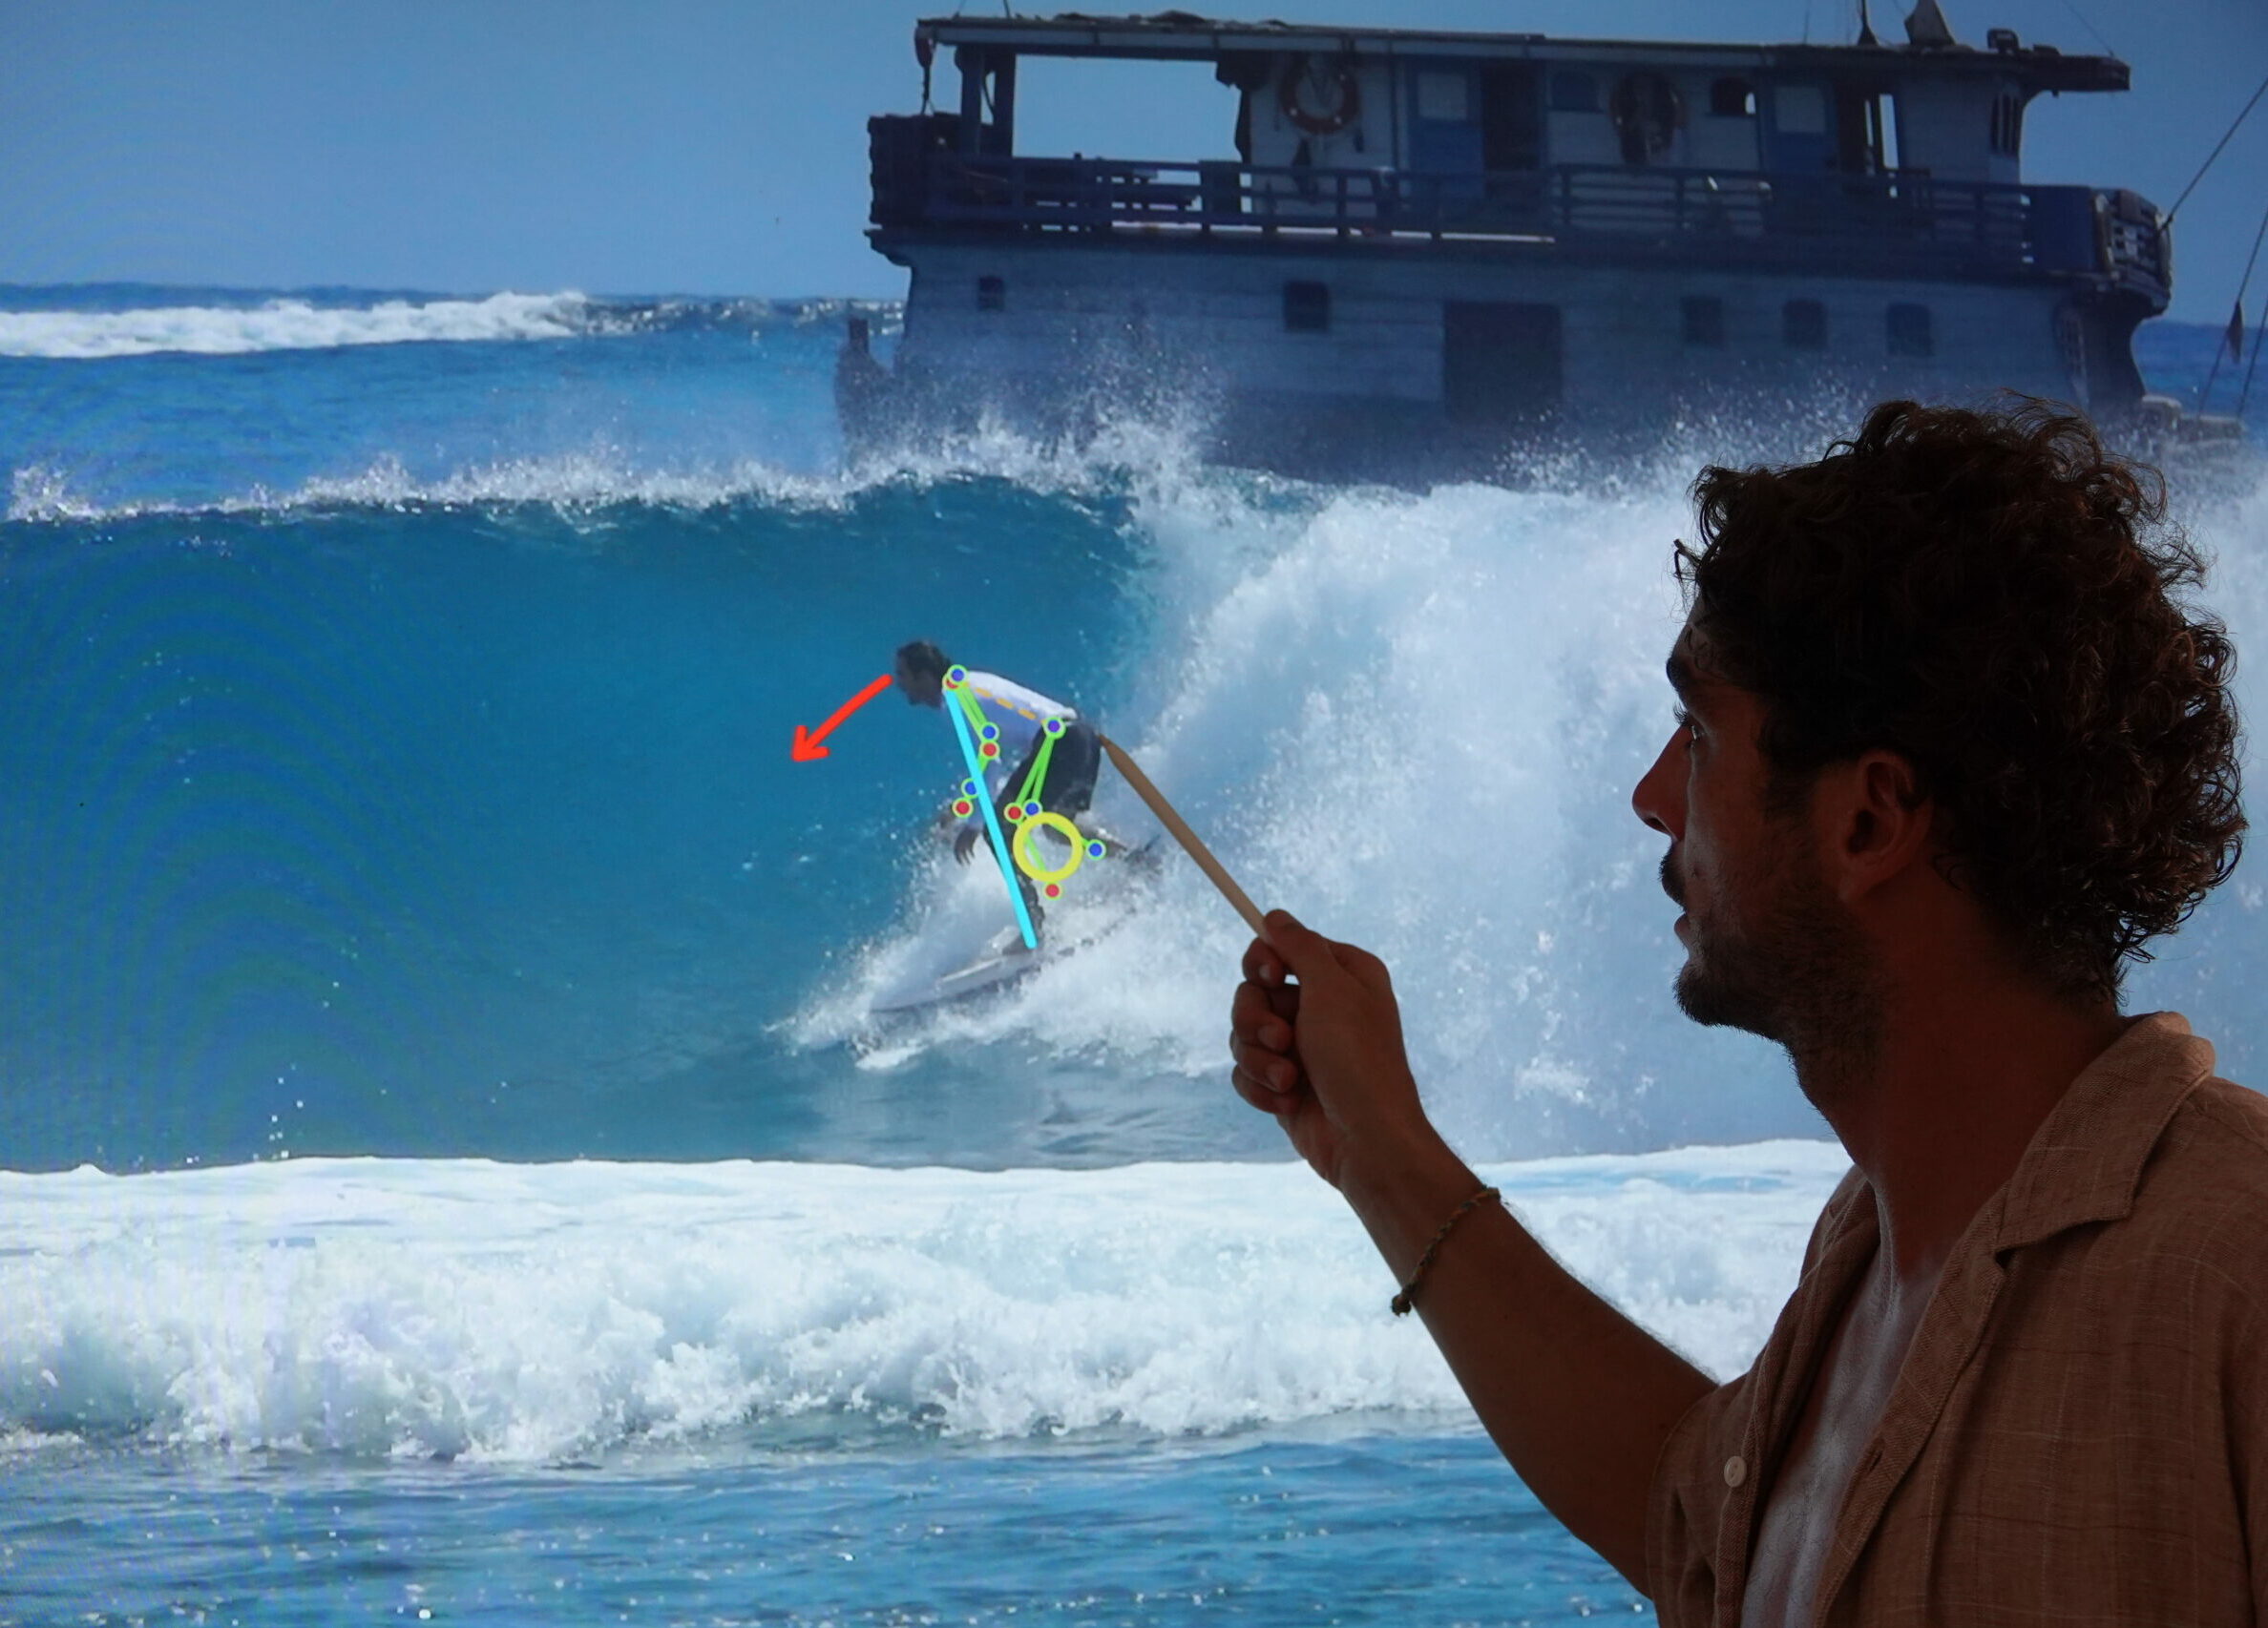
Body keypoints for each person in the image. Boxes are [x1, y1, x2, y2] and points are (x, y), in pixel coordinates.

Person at [1227, 399, 2261, 1625]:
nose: (1652, 796)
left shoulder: (2233, 1263)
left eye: (1699, 735)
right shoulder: (1870, 1251)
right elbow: (1700, 1531)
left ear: (1868, 820)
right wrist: (1381, 1155)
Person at [894, 639, 1103, 934]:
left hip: (1058, 745)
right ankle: (1133, 858)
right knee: (1057, 828)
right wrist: (960, 809)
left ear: (925, 676)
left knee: (998, 831)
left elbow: (989, 760)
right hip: (1081, 737)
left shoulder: (955, 699)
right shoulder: (969, 683)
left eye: (903, 675)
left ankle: (1033, 924)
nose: (899, 684)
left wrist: (974, 826)